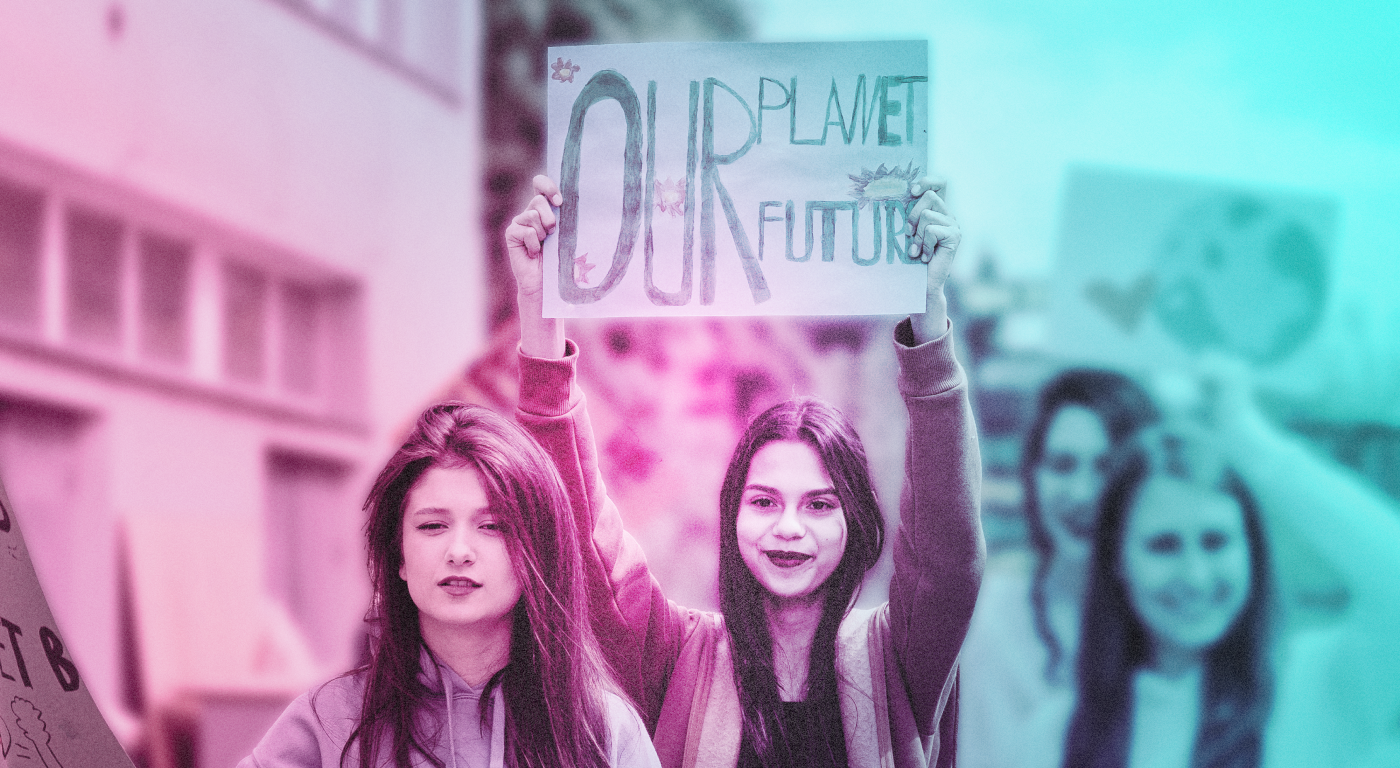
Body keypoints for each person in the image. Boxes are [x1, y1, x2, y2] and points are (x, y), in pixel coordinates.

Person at [504, 173, 983, 768]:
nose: (788, 527)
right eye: (763, 501)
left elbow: (946, 553)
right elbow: (580, 541)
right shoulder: (677, 655)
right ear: (730, 517)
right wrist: (539, 313)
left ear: (855, 523)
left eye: (819, 504)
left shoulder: (898, 654)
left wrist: (929, 326)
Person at [239, 403, 661, 768]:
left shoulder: (602, 730)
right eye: (433, 525)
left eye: (492, 526)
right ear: (399, 555)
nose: (459, 551)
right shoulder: (330, 720)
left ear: (536, 551)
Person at [1064, 360, 1400, 768]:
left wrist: (1250, 439)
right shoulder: (1055, 733)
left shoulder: (1319, 685)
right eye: (1163, 545)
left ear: (1251, 549)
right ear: (1117, 561)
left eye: (1216, 542)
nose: (1196, 576)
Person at [957, 370, 1160, 768]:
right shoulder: (990, 616)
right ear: (1033, 475)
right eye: (1062, 465)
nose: (1083, 493)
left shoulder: (1171, 615)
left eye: (1106, 466)